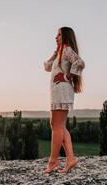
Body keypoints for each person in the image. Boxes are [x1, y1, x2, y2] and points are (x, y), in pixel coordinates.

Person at [42, 26, 85, 174]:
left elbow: (79, 63)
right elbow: (47, 67)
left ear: (65, 36)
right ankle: (71, 159)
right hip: (57, 92)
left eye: (59, 35)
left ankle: (52, 161)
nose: (56, 37)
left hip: (62, 91)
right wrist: (55, 52)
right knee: (58, 125)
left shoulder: (67, 49)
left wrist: (66, 77)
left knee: (56, 126)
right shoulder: (61, 52)